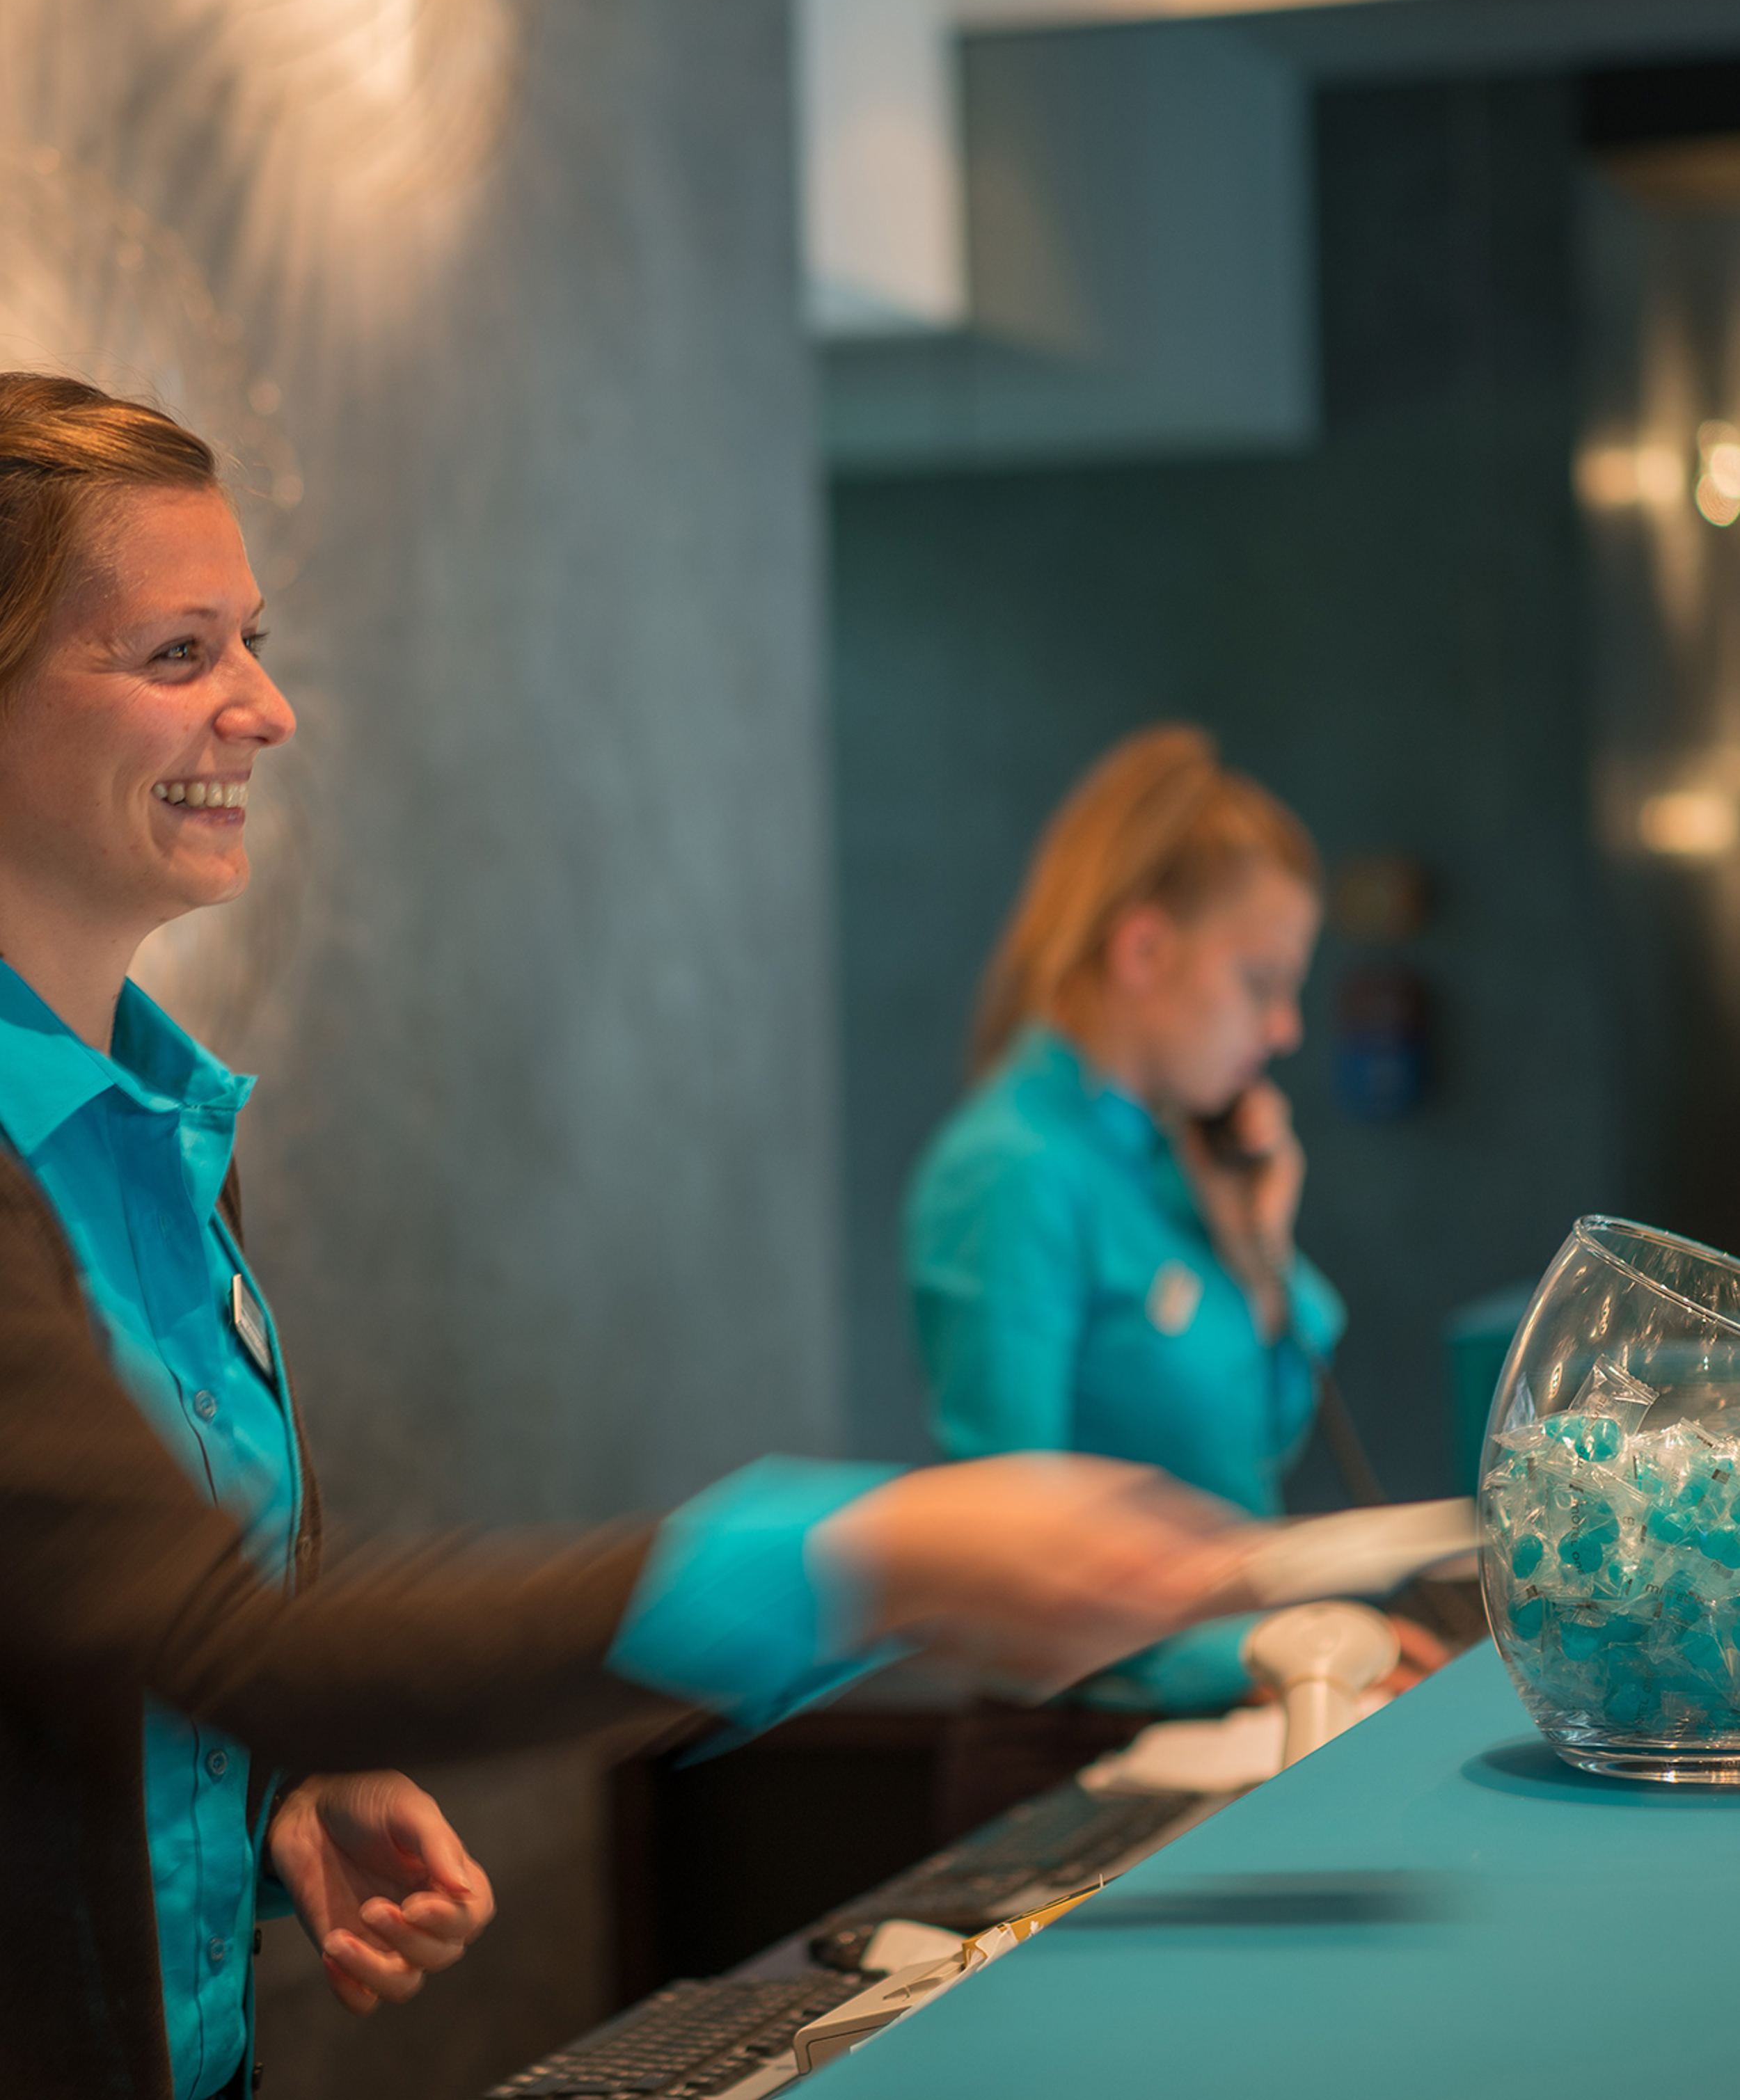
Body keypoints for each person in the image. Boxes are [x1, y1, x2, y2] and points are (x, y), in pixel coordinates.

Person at [0, 378, 1269, 2100]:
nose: (268, 708)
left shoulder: (164, 1132)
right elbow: (226, 1632)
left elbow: (99, 1644)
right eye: (176, 654)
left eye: (254, 640)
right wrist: (861, 1552)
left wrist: (264, 1797)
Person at [906, 727, 1439, 1714]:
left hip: (1230, 1715)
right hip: (1078, 1764)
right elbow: (1004, 1590)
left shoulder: (1176, 1164)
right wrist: (1283, 1651)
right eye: (1261, 982)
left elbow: (1258, 1444)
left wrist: (1257, 1256)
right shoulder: (1009, 1174)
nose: (1285, 1029)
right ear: (1145, 948)